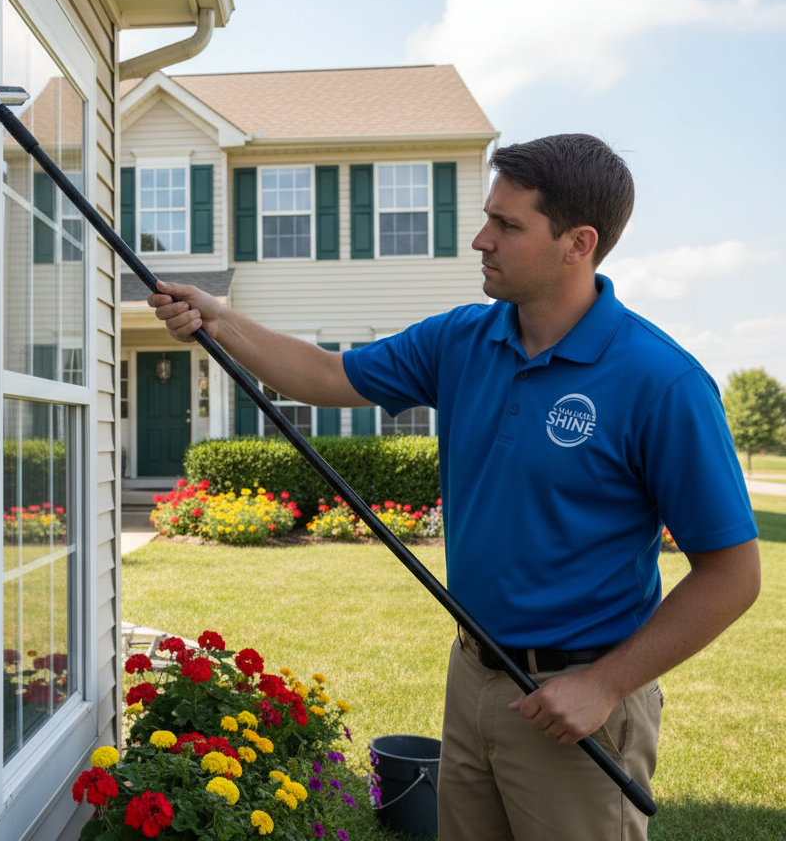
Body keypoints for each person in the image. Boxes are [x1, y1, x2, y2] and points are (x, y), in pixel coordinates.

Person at [147, 134, 761, 840]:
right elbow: (326, 373)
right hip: (473, 674)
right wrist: (219, 319)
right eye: (487, 217)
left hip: (577, 701)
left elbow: (733, 574)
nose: (480, 239)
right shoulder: (462, 340)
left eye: (507, 225)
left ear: (578, 243)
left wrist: (604, 685)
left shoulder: (662, 382)